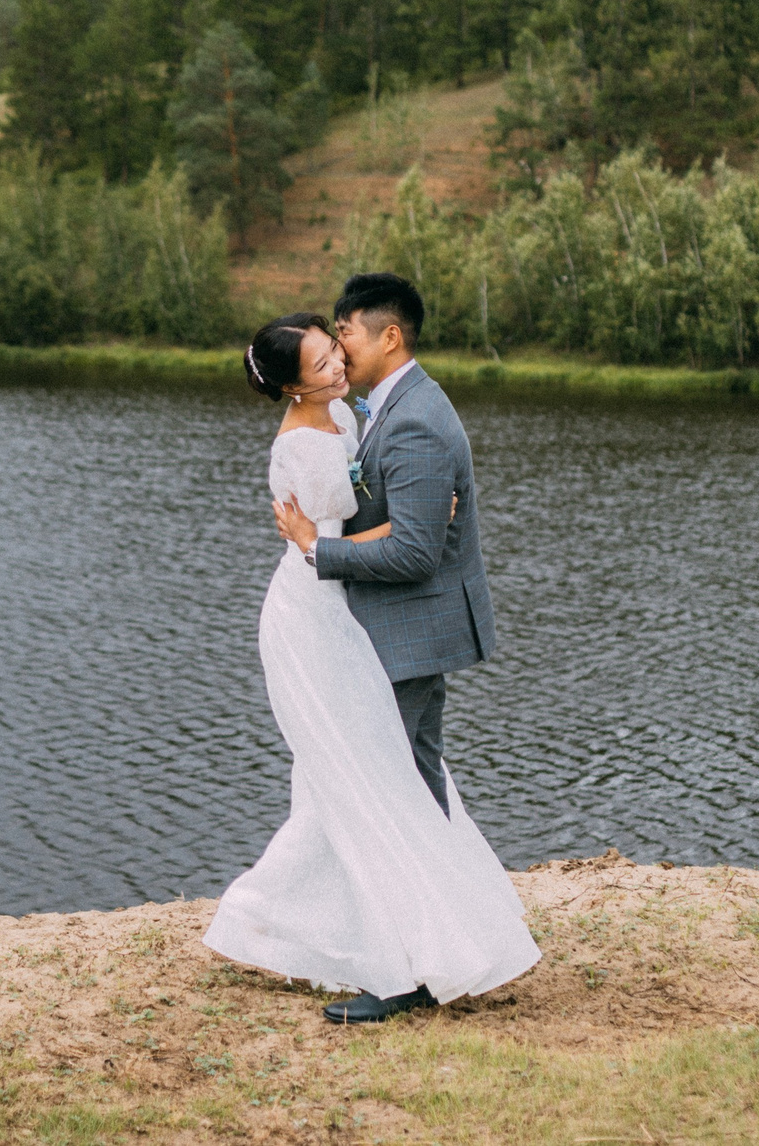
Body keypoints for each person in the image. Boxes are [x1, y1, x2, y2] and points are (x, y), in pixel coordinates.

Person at [202, 276, 538, 1025]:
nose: (339, 351)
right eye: (326, 347)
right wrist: (372, 528)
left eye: (344, 334)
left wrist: (323, 545)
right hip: (337, 621)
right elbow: (386, 515)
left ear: (388, 336)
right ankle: (436, 943)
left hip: (394, 624)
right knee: (388, 786)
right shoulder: (377, 408)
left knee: (383, 789)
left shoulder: (410, 418)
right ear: (295, 382)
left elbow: (413, 549)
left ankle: (412, 962)